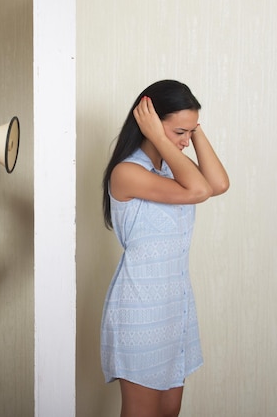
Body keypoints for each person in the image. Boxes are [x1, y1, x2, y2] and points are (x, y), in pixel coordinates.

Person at [100, 80, 229, 417]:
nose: (186, 141)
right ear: (150, 123)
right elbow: (200, 190)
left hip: (175, 307)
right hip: (141, 309)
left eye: (191, 131)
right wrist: (159, 136)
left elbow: (218, 184)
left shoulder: (173, 170)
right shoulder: (127, 172)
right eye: (180, 132)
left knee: (169, 413)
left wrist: (190, 131)